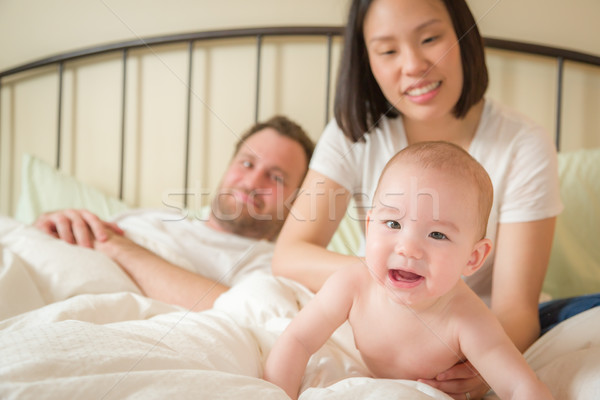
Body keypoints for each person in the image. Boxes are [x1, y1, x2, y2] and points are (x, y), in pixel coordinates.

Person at [271, 0, 572, 398]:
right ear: (367, 61)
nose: (413, 65)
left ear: (464, 37)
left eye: (430, 38)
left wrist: (481, 366)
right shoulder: (354, 132)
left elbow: (515, 309)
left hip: (472, 330)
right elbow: (289, 256)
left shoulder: (522, 144)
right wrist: (375, 279)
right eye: (388, 50)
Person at [265, 142, 554, 400]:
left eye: (437, 235)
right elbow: (297, 341)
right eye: (393, 224)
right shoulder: (352, 284)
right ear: (369, 227)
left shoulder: (468, 319)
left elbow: (520, 387)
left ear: (473, 257)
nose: (408, 249)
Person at [34, 115, 315, 311]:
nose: (252, 183)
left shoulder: (271, 263)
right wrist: (52, 223)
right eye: (247, 163)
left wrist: (116, 247)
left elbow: (241, 312)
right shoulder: (152, 217)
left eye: (276, 178)